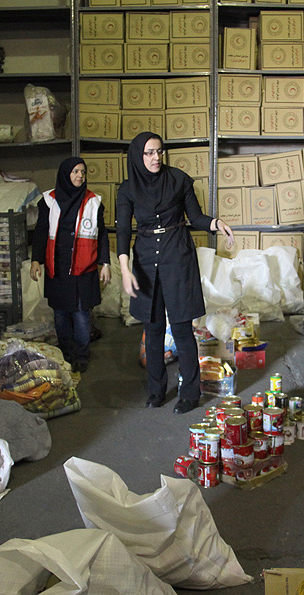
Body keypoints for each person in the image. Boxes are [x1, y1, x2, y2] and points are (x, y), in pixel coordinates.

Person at [116, 132, 234, 414]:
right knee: (153, 328)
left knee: (182, 328)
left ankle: (189, 393)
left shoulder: (179, 180)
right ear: (137, 156)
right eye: (149, 153)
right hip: (145, 259)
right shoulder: (128, 189)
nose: (156, 158)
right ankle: (156, 391)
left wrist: (217, 224)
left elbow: (196, 218)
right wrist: (123, 267)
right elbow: (122, 228)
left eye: (159, 152)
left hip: (177, 256)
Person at [31, 157, 110, 373]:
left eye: (83, 172)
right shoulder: (48, 200)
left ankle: (82, 356)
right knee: (61, 313)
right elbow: (40, 232)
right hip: (57, 266)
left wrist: (105, 263)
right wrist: (36, 260)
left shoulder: (94, 202)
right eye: (75, 172)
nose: (79, 176)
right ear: (66, 174)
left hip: (84, 266)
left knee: (82, 313)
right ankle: (65, 354)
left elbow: (101, 234)